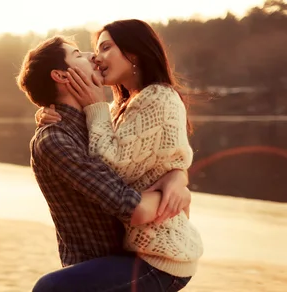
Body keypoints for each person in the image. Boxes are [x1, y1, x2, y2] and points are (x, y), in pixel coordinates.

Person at [35, 19, 205, 289]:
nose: (97, 58)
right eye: (93, 51)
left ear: (133, 53)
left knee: (51, 288)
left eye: (105, 48)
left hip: (160, 257)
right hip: (135, 250)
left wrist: (95, 106)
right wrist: (49, 110)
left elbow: (112, 169)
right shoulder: (123, 105)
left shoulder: (158, 98)